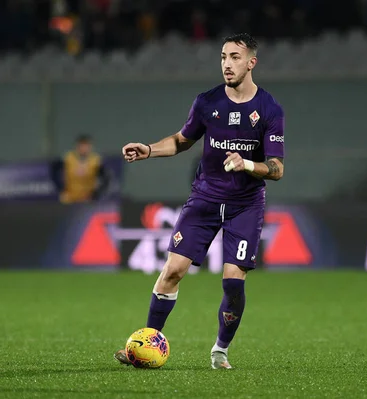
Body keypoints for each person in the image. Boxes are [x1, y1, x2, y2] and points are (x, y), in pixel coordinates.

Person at [115, 33, 285, 369]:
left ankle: (220, 349)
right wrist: (149, 150)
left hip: (245, 205)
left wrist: (247, 164)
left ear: (251, 63)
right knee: (173, 271)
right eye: (223, 56)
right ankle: (147, 342)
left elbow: (277, 169)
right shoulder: (207, 103)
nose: (227, 63)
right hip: (205, 199)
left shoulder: (269, 109)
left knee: (233, 284)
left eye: (235, 57)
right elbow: (181, 141)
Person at [50, 135, 110, 203]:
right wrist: (60, 187)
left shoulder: (95, 160)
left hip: (87, 198)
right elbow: (54, 171)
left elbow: (106, 178)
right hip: (69, 197)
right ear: (77, 146)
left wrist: (95, 194)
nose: (84, 148)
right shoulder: (68, 158)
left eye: (86, 145)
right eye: (82, 145)